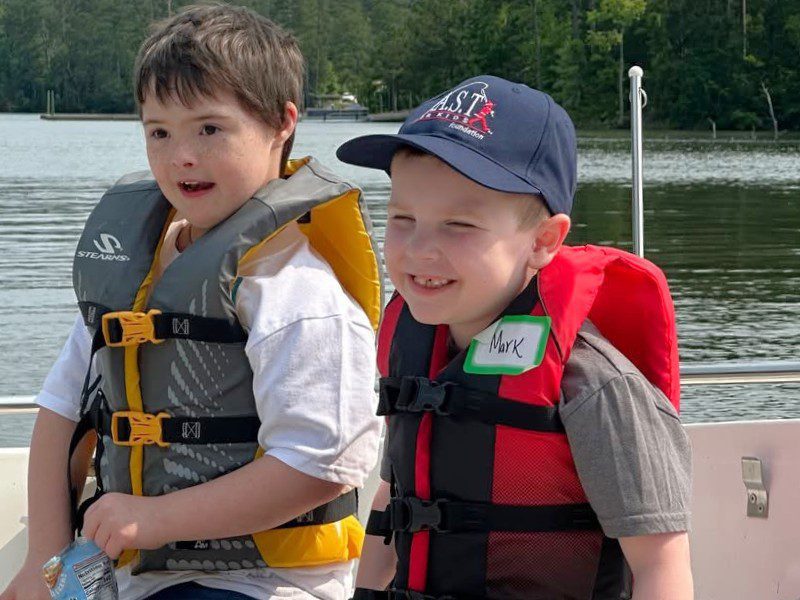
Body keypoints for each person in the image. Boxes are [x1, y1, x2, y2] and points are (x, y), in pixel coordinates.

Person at [1, 4, 383, 600]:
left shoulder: (297, 290)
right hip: (136, 575)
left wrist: (155, 520)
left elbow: (319, 465)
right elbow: (59, 413)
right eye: (159, 131)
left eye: (209, 129)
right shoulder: (136, 274)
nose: (182, 156)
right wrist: (43, 565)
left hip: (264, 582)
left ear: (282, 124)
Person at [336, 75, 693, 600]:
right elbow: (396, 498)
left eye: (458, 225)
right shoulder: (412, 349)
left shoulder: (595, 386)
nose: (419, 248)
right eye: (402, 218)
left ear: (543, 242)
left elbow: (662, 565)